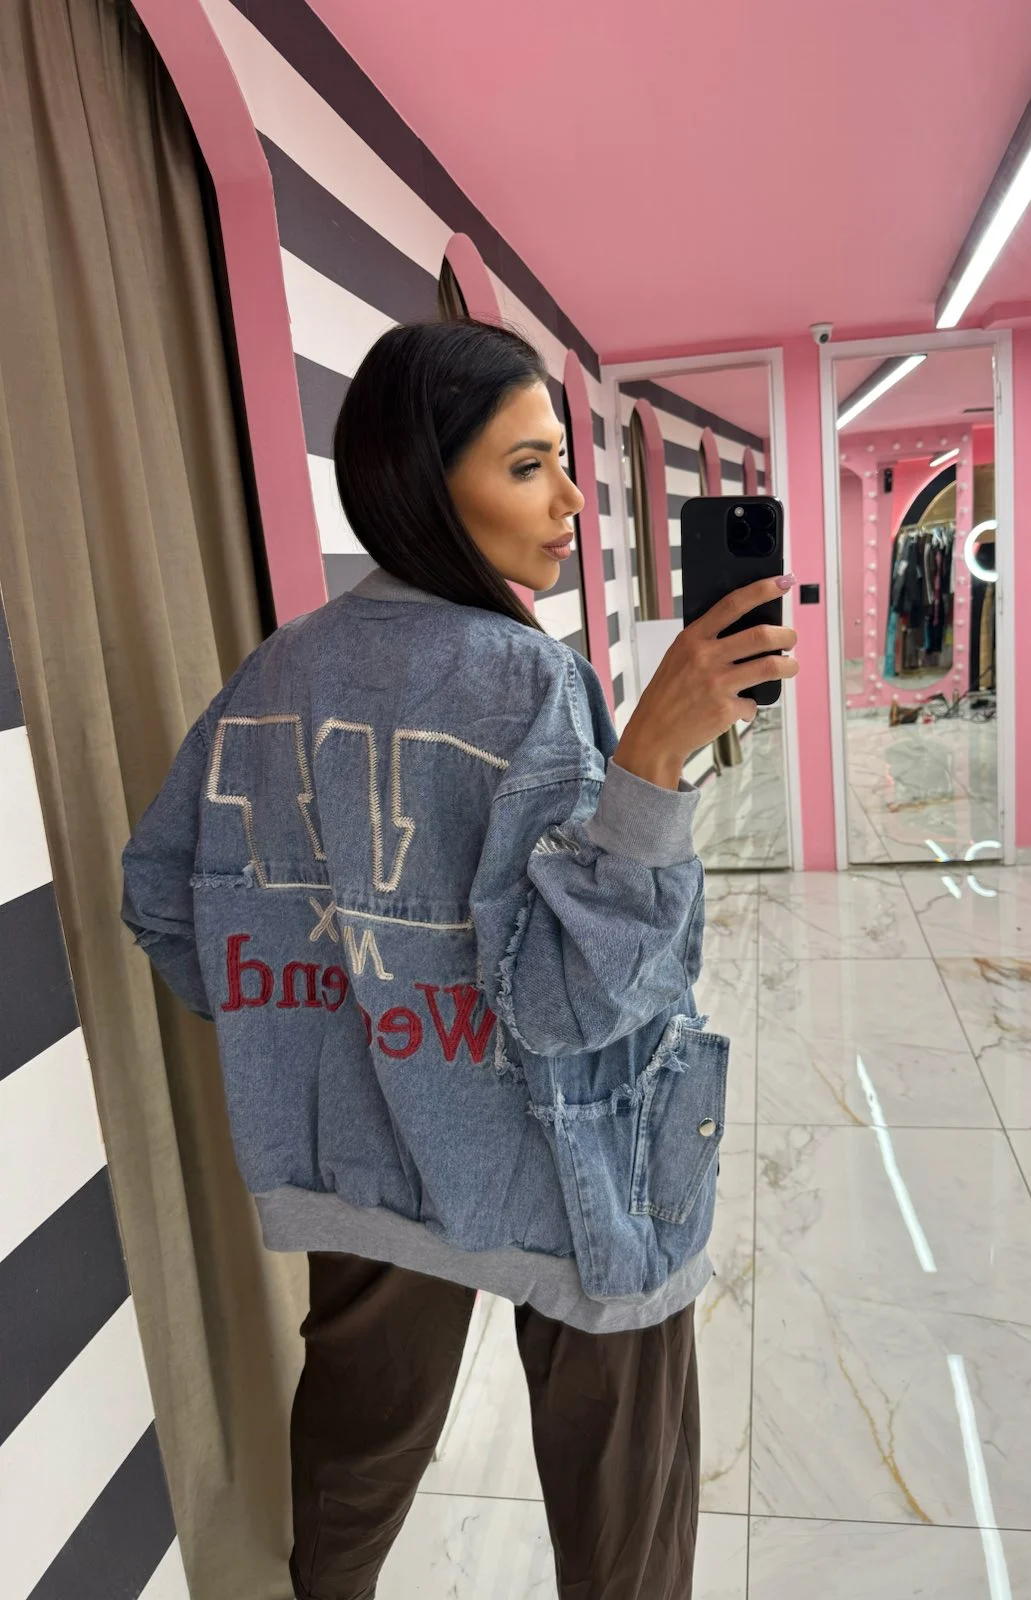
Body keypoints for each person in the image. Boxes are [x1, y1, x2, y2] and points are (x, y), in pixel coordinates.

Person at [121, 318, 798, 1600]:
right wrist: (652, 764)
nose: (569, 506)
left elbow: (162, 897)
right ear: (424, 487)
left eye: (565, 465)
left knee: (350, 1477)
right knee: (624, 1519)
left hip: (362, 1161)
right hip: (575, 1167)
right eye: (527, 466)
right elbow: (575, 1000)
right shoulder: (530, 683)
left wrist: (324, 1031)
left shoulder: (272, 674)